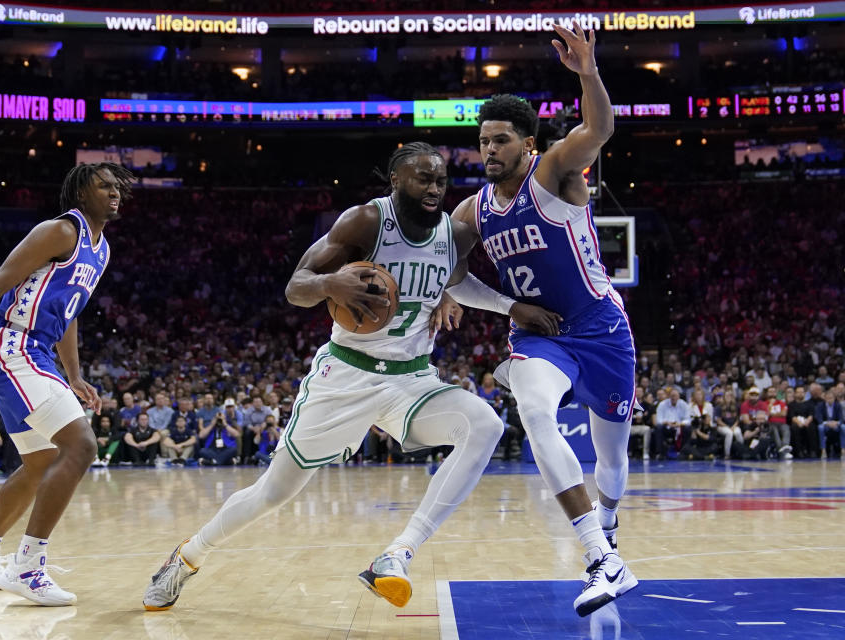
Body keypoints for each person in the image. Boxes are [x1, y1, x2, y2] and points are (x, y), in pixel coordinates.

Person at [142, 142, 552, 613]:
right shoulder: (365, 222)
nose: (434, 188)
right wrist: (327, 284)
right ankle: (186, 557)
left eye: (440, 180)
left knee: (485, 425)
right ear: (396, 180)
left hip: (412, 378)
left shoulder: (456, 234)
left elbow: (458, 279)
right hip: (347, 375)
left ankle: (395, 555)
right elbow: (295, 287)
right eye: (422, 178)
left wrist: (499, 304)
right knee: (274, 493)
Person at [444, 22, 637, 615]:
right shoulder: (470, 212)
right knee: (532, 411)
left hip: (601, 330)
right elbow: (451, 276)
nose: (489, 151)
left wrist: (587, 73)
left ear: (526, 145)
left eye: (501, 140)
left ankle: (606, 528)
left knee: (611, 458)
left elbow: (599, 128)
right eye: (482, 141)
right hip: (539, 336)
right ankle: (600, 557)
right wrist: (502, 306)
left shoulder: (553, 171)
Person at [0, 162, 134, 606]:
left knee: (42, 461)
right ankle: (28, 566)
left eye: (117, 187)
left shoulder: (101, 250)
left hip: (37, 352)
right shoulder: (60, 231)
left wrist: (75, 375)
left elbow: (69, 312)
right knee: (80, 447)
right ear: (82, 194)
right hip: (12, 345)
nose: (114, 193)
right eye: (104, 186)